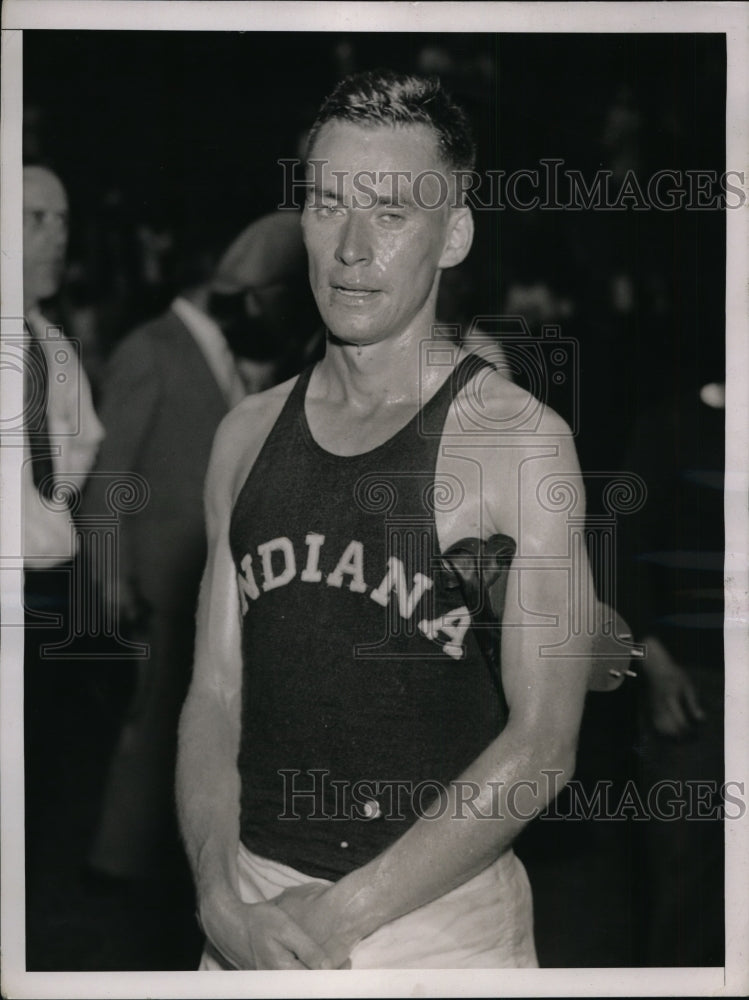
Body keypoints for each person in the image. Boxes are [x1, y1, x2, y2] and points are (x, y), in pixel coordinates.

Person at [176, 70, 600, 970]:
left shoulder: (519, 443)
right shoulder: (246, 434)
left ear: (454, 237)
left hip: (434, 925)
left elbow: (543, 745)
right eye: (327, 206)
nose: (351, 248)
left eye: (393, 213)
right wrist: (217, 899)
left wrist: (341, 916)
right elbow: (215, 696)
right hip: (249, 913)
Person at [82, 211, 311, 883]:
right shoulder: (150, 348)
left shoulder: (224, 354)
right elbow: (109, 478)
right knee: (148, 734)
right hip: (157, 585)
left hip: (209, 585)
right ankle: (113, 869)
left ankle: (159, 864)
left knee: (186, 735)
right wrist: (110, 581)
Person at [22, 165, 105, 855]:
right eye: (35, 219)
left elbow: (84, 439)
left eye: (62, 221)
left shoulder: (51, 344)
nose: (55, 238)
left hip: (45, 588)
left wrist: (42, 510)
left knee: (31, 761)